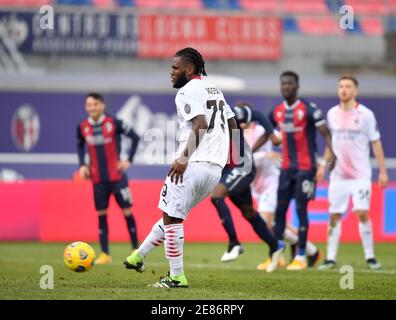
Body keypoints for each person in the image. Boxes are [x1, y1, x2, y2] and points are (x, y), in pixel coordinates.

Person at [123, 47, 238, 288]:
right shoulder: (213, 88)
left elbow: (201, 123)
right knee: (171, 213)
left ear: (190, 69)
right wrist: (235, 157)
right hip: (213, 171)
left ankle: (176, 276)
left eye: (175, 68)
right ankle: (138, 256)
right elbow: (232, 122)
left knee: (173, 217)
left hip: (192, 165)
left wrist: (183, 158)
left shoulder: (186, 91)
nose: (171, 72)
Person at [266, 71, 336, 270]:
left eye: (289, 83)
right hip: (286, 170)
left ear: (297, 86)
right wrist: (267, 147)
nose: (286, 86)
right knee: (279, 212)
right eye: (283, 84)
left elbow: (326, 134)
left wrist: (328, 159)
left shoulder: (308, 109)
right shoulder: (277, 111)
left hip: (306, 169)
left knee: (300, 211)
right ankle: (276, 256)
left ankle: (302, 256)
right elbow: (268, 131)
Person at [317, 75, 388, 270]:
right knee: (334, 216)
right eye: (341, 86)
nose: (344, 90)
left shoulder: (366, 115)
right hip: (338, 175)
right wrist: (323, 165)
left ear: (355, 91)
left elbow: (376, 142)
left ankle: (370, 257)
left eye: (348, 86)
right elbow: (329, 144)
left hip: (360, 175)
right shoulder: (332, 114)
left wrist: (382, 171)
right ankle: (330, 258)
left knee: (362, 213)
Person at [209, 102, 285, 273]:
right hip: (228, 168)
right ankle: (275, 245)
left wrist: (272, 134)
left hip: (243, 164)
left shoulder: (224, 111)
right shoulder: (198, 124)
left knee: (216, 196)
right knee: (248, 211)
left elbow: (257, 114)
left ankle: (234, 243)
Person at [245, 123, 321, 270]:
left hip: (271, 181)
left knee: (264, 222)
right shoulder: (238, 134)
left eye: (243, 120)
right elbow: (243, 160)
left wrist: (283, 152)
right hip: (256, 185)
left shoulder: (262, 130)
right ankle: (310, 250)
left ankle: (276, 254)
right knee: (276, 224)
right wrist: (262, 155)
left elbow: (281, 136)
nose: (241, 123)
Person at [77, 92, 140, 264]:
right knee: (101, 215)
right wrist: (82, 164)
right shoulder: (82, 127)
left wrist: (128, 160)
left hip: (117, 177)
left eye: (95, 104)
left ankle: (136, 249)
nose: (92, 108)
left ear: (102, 105)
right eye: (89, 105)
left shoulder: (114, 123)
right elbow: (80, 145)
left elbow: (135, 137)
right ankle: (105, 254)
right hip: (98, 180)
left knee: (127, 212)